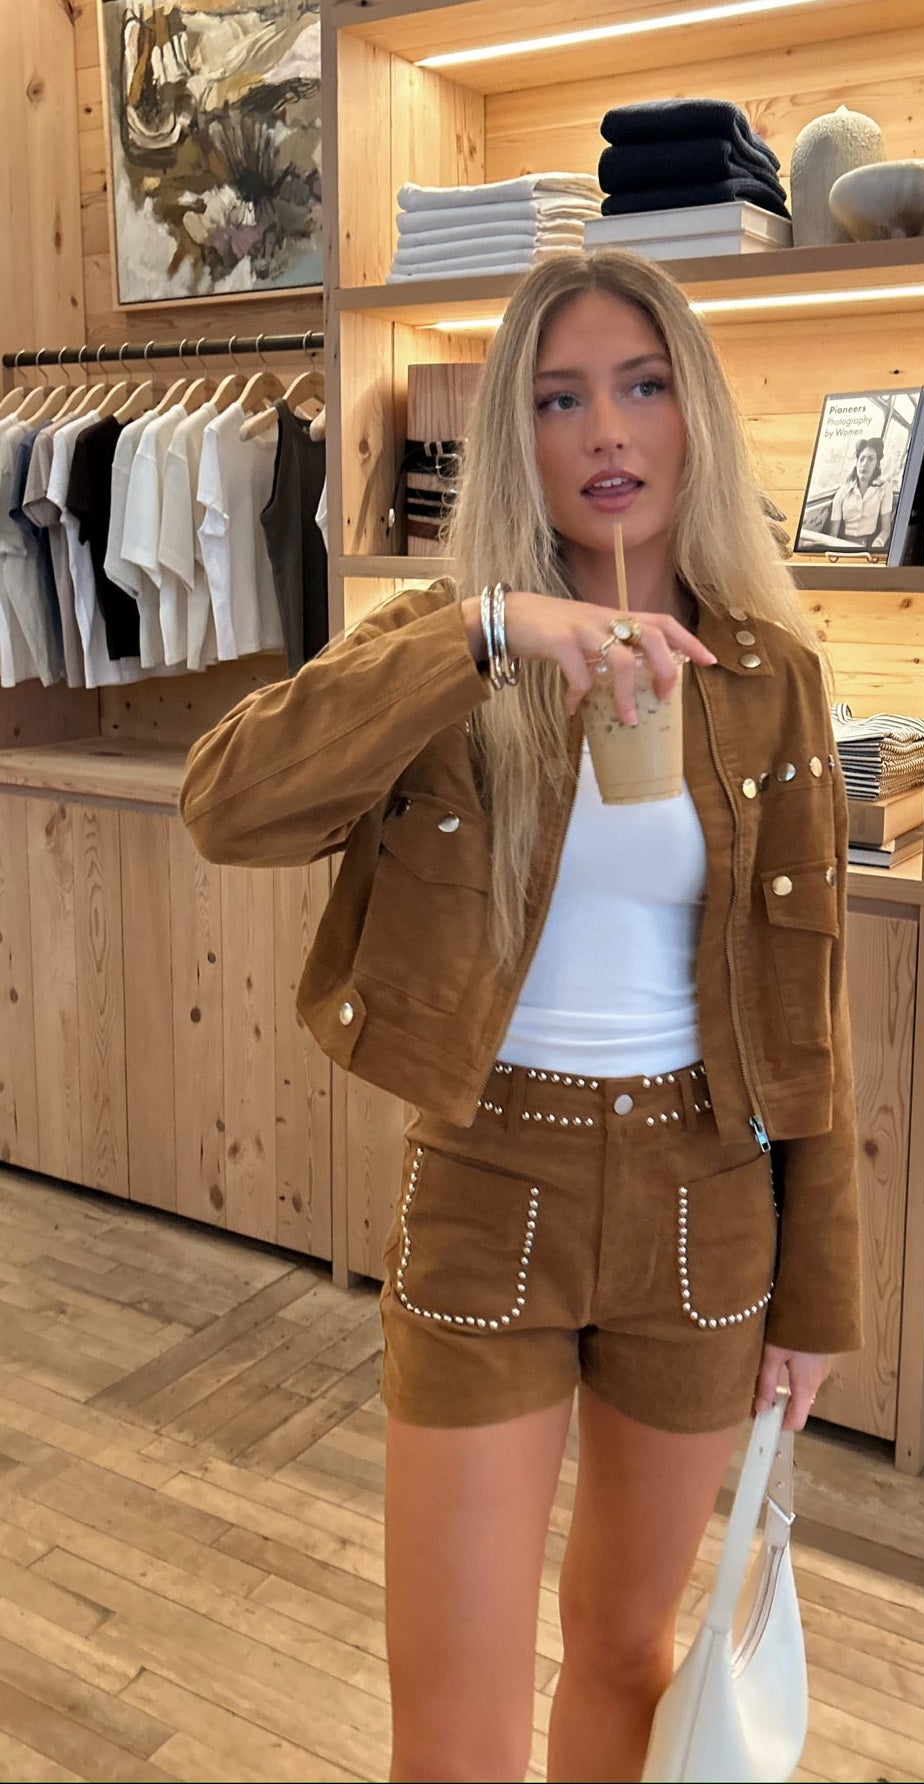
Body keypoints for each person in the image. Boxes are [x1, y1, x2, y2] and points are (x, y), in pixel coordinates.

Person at [180, 248, 862, 1784]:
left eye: (641, 385)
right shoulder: (446, 642)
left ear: (693, 416)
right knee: (455, 1716)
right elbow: (226, 806)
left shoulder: (772, 675)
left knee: (626, 1650)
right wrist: (495, 634)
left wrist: (817, 1295)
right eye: (559, 399)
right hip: (491, 1185)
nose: (605, 429)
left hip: (705, 1209)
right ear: (515, 433)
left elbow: (808, 1010)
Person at [828, 434, 893, 549]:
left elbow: (886, 530)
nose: (864, 464)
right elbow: (833, 534)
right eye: (862, 459)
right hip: (843, 545)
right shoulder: (843, 492)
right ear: (857, 461)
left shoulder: (884, 489)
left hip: (870, 545)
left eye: (871, 459)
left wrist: (877, 544)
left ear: (877, 464)